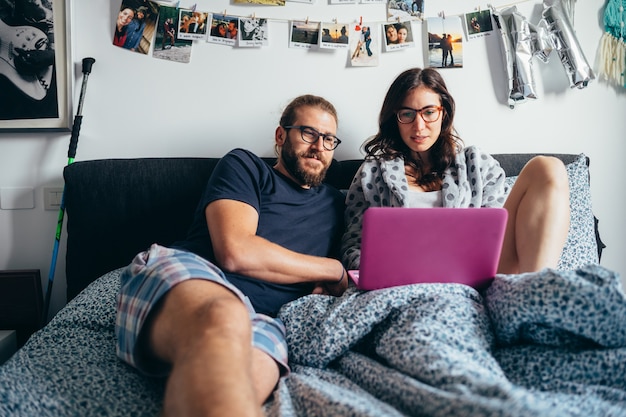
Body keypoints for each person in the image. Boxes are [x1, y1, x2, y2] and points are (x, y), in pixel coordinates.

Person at [116, 94, 348, 417]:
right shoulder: (245, 166)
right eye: (308, 133)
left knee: (240, 392)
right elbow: (235, 252)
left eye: (328, 139)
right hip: (197, 276)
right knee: (224, 316)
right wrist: (332, 270)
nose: (319, 147)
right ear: (281, 136)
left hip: (267, 320)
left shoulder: (337, 203)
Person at [341, 68, 570, 276]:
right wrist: (391, 269)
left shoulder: (476, 165)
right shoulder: (372, 173)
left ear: (444, 113)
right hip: (403, 280)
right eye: (407, 114)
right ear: (395, 119)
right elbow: (353, 246)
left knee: (548, 167)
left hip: (479, 274)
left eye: (429, 112)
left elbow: (501, 233)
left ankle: (536, 290)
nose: (419, 126)